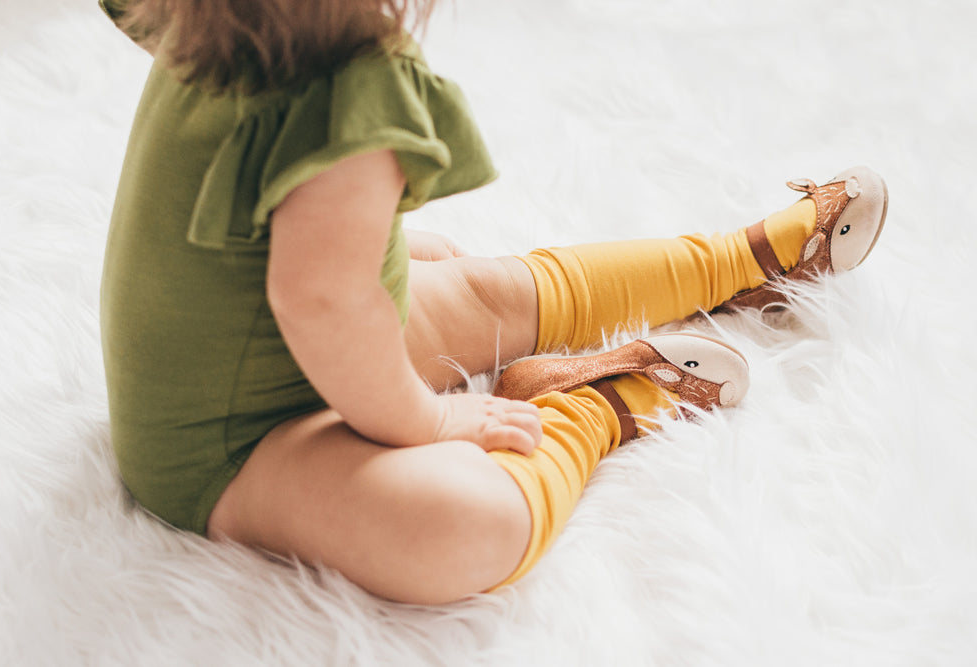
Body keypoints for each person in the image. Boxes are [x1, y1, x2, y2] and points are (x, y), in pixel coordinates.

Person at [98, 0, 888, 604]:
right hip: (224, 444)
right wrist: (429, 419)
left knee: (492, 289)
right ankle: (598, 402)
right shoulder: (344, 81)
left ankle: (745, 259)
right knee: (464, 526)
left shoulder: (215, 17)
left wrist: (362, 243)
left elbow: (275, 214)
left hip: (280, 324)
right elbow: (320, 304)